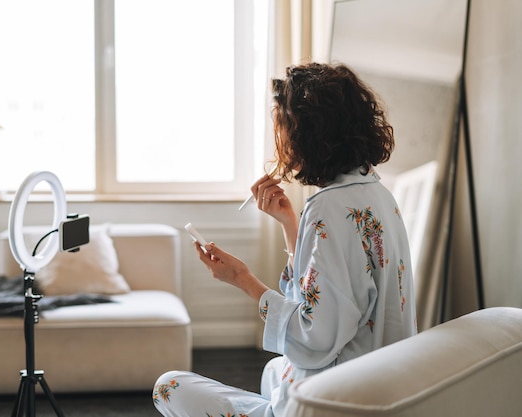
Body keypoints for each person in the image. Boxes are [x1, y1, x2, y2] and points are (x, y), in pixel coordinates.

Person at [153, 62, 417, 417]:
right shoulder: (376, 193)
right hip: (380, 383)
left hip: (336, 399)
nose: (278, 139)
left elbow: (315, 338)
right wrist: (290, 224)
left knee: (168, 387)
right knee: (273, 370)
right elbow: (332, 290)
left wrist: (243, 281)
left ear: (307, 132)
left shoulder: (328, 207)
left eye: (281, 125)